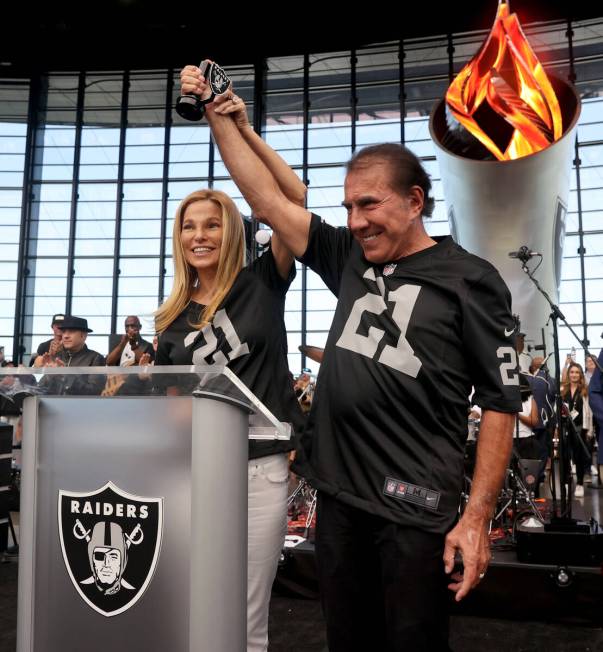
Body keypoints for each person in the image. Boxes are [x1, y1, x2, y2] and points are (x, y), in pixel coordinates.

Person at [184, 64, 522, 651]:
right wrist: (219, 113)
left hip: (416, 510)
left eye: (370, 205)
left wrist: (477, 518)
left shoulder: (472, 280)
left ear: (416, 201)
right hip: (339, 499)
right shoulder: (348, 257)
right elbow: (265, 200)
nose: (357, 221)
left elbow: (500, 402)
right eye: (347, 207)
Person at [157, 74, 305, 652]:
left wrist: (240, 126)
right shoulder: (169, 320)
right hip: (193, 469)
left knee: (246, 607)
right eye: (190, 226)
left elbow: (293, 201)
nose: (200, 235)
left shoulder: (263, 279)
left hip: (260, 468)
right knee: (193, 595)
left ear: (233, 229)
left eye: (212, 223)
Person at [37, 316, 105, 395]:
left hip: (80, 406)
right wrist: (49, 376)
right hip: (54, 405)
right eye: (64, 332)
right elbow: (40, 389)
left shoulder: (95, 358)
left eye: (71, 331)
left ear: (83, 336)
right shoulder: (57, 357)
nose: (65, 336)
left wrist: (65, 374)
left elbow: (95, 392)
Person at [561, 362, 594, 497]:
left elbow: (589, 412)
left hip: (580, 428)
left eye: (577, 372)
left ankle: (579, 483)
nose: (574, 374)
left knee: (579, 457)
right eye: (572, 372)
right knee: (564, 457)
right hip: (565, 427)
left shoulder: (585, 391)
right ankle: (567, 482)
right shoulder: (563, 390)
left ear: (580, 375)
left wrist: (590, 430)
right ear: (568, 374)